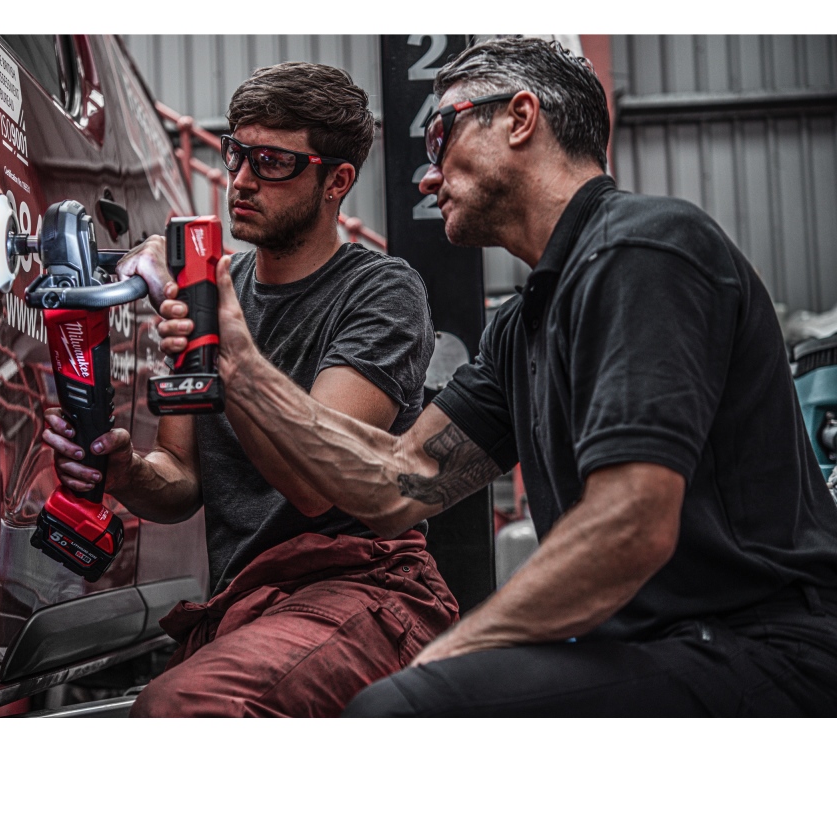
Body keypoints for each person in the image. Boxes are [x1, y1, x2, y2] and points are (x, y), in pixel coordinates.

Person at [161, 37, 837, 716]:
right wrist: (240, 368)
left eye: (439, 136)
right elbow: (399, 482)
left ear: (519, 118)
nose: (427, 178)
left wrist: (449, 656)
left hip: (762, 646)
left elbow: (630, 524)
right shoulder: (522, 328)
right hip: (655, 645)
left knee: (399, 711)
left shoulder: (642, 250)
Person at [43, 61, 457, 717]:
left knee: (182, 708)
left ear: (336, 181)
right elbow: (181, 476)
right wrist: (124, 472)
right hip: (243, 598)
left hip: (360, 584)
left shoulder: (381, 293)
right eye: (237, 153)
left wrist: (223, 349)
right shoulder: (210, 287)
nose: (240, 179)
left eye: (272, 162)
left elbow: (316, 487)